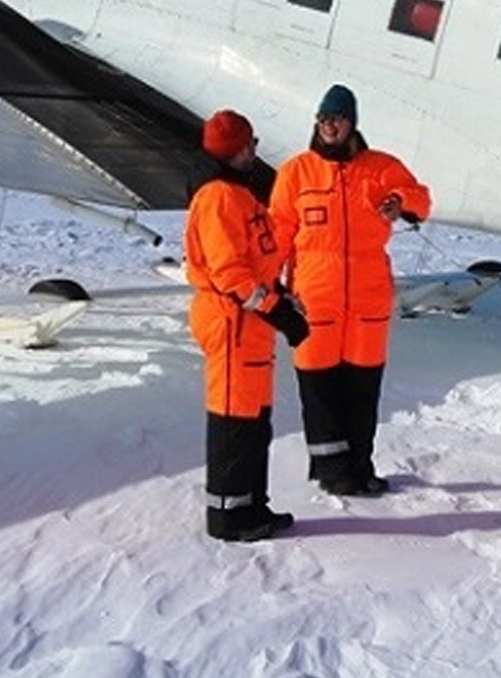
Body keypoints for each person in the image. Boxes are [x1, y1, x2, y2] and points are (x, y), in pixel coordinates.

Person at [270, 84, 433, 496]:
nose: (330, 125)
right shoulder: (296, 172)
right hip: (315, 299)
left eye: (338, 119)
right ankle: (333, 472)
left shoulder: (380, 168)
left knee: (362, 391)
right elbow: (278, 233)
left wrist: (400, 201)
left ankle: (361, 467)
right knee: (320, 390)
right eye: (324, 119)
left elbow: (421, 199)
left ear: (352, 123)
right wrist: (269, 286)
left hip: (367, 301)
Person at [185, 109, 310, 543]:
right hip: (232, 323)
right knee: (234, 422)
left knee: (255, 421)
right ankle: (229, 518)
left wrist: (281, 298)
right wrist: (279, 312)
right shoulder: (218, 199)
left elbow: (257, 262)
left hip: (250, 327)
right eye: (252, 143)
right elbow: (231, 275)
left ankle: (252, 505)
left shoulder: (240, 195)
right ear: (237, 150)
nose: (256, 150)